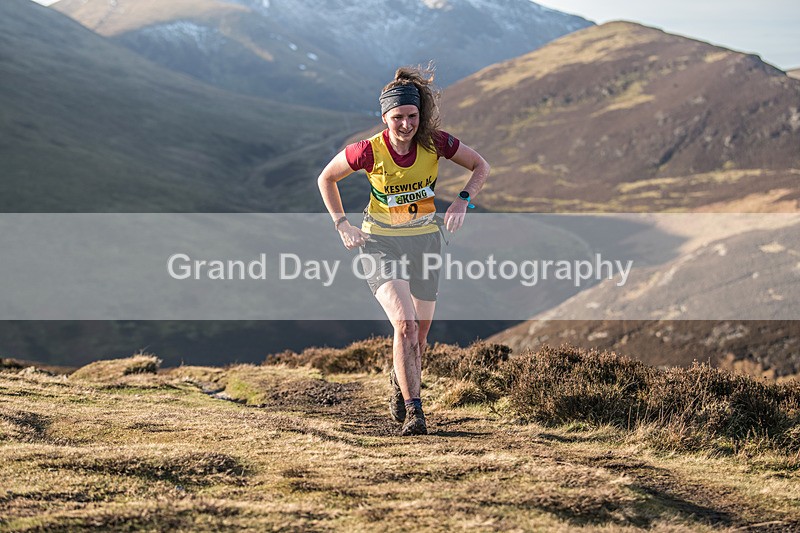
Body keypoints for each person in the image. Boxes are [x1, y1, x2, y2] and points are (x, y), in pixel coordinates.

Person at [317, 65, 490, 436]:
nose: (406, 125)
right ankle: (415, 412)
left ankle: (400, 381)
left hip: (425, 242)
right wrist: (341, 224)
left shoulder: (435, 142)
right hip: (379, 243)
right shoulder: (367, 151)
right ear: (384, 118)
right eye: (398, 118)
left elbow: (480, 166)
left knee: (421, 335)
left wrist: (462, 201)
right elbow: (326, 178)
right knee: (405, 324)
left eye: (412, 116)